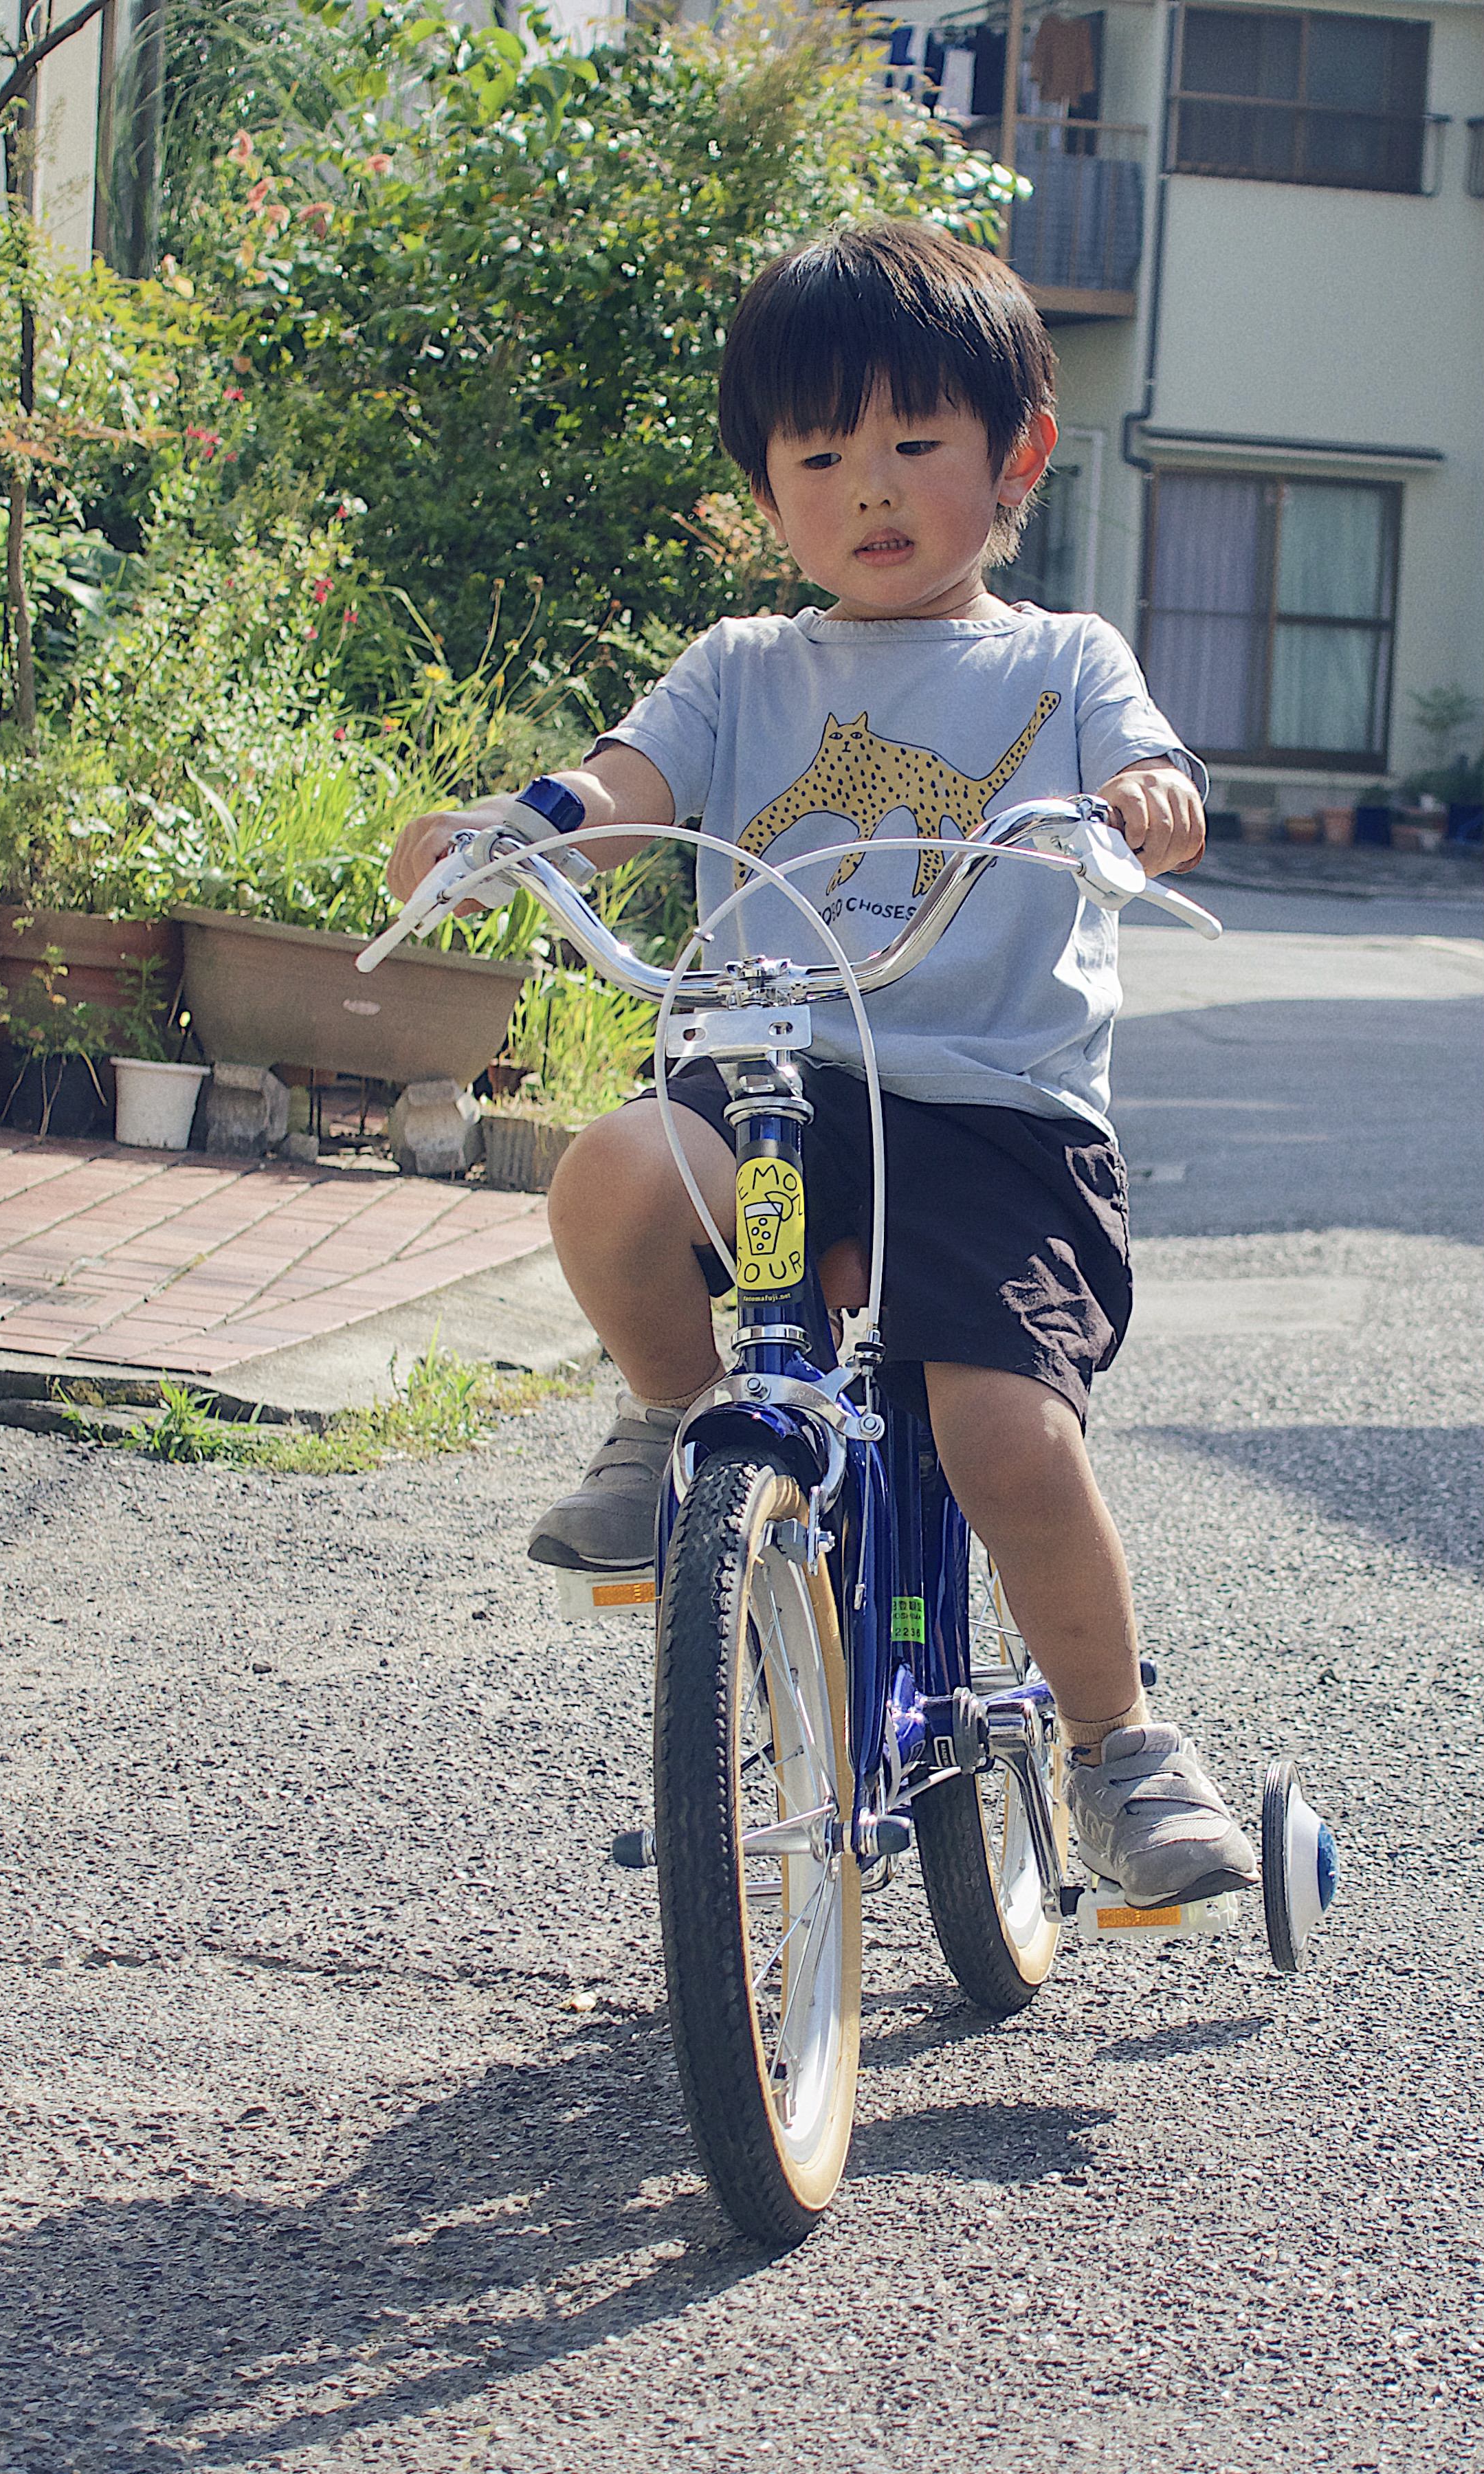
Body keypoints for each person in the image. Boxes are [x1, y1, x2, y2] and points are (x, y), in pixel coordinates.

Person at [387, 220, 1254, 1910]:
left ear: (1019, 455)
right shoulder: (741, 669)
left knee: (1003, 1432)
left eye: (917, 443)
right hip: (777, 1085)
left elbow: (1154, 779)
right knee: (614, 1174)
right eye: (819, 454)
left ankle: (1116, 1747)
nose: (870, 487)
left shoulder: (1063, 660)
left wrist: (1147, 805)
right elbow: (622, 783)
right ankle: (670, 1421)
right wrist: (523, 826)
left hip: (990, 1115)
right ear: (763, 489)